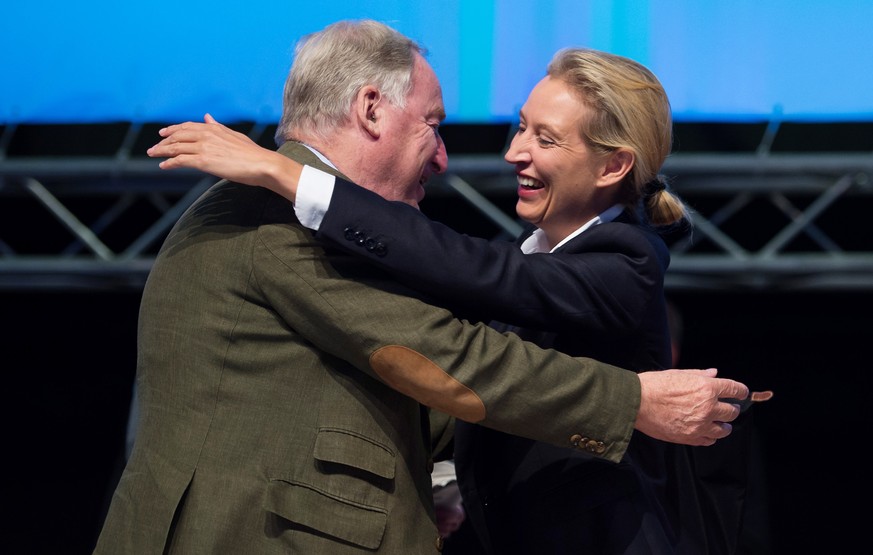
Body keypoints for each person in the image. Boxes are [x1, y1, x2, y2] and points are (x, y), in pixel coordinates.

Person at [122, 19, 750, 554]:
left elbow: (464, 299)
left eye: (545, 137)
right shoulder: (278, 216)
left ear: (613, 164)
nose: (459, 158)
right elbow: (442, 355)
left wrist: (442, 473)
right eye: (433, 125)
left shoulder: (626, 259)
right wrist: (628, 402)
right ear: (371, 109)